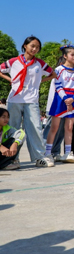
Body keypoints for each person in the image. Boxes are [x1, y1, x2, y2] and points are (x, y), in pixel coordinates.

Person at [0, 36, 55, 168]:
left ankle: (39, 157)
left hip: (31, 99)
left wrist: (38, 83)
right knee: (12, 127)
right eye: (32, 46)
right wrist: (11, 80)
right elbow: (0, 69)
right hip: (15, 98)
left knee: (35, 128)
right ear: (25, 46)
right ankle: (12, 159)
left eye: (37, 47)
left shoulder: (40, 64)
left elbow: (53, 74)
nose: (35, 49)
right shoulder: (14, 61)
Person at [45, 45, 74, 165]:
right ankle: (47, 153)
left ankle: (67, 152)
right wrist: (66, 98)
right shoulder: (58, 70)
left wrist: (73, 98)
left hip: (73, 101)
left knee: (69, 128)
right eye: (72, 55)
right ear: (65, 56)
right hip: (60, 101)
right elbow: (58, 85)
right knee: (54, 127)